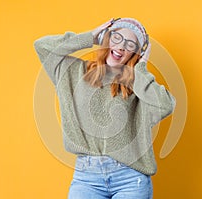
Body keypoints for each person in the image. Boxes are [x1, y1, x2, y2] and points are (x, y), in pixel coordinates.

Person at [34, 17, 176, 199]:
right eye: (117, 38)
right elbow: (42, 46)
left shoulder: (138, 84)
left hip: (130, 179)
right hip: (87, 178)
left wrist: (140, 69)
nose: (122, 47)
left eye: (131, 44)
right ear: (106, 39)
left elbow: (165, 105)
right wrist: (91, 37)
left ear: (135, 53)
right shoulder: (74, 72)